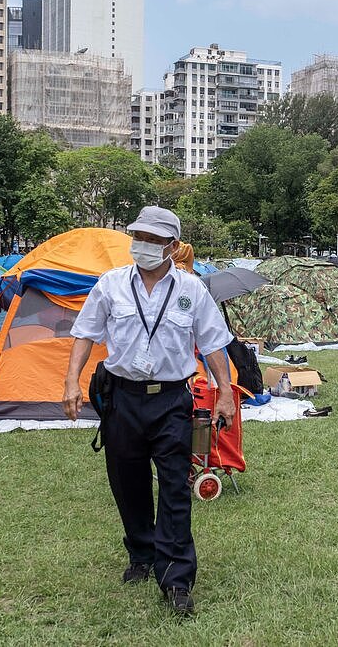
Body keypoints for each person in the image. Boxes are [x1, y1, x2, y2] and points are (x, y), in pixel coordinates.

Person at [61, 205, 235, 617]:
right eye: (139, 237)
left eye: (154, 240)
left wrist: (225, 391)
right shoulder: (111, 285)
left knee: (175, 486)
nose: (143, 246)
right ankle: (141, 552)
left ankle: (176, 577)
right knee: (128, 480)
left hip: (172, 399)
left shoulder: (192, 289)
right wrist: (71, 381)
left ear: (173, 247)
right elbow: (85, 334)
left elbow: (212, 344)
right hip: (122, 398)